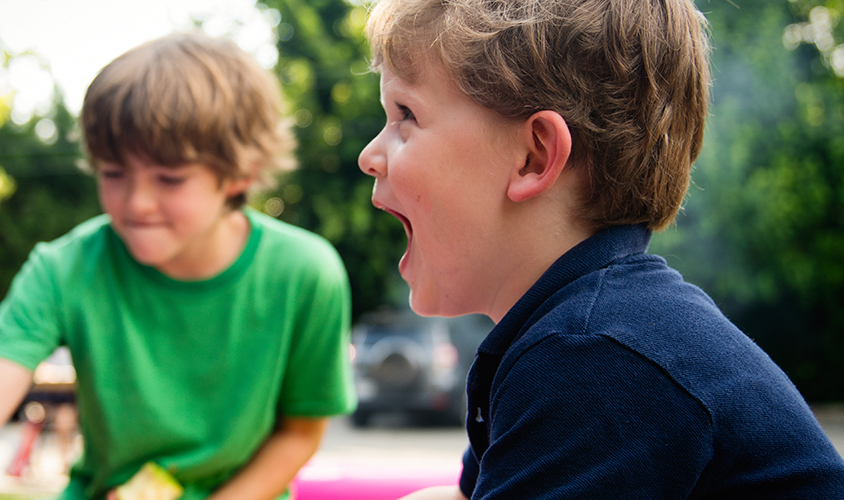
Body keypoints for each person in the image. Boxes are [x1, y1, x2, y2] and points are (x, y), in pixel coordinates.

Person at [355, 0, 844, 498]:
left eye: (406, 115)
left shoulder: (592, 360)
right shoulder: (580, 330)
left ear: (534, 156)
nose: (368, 156)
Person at [0, 32, 356, 500]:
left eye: (169, 178)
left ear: (239, 174)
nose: (137, 203)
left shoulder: (306, 273)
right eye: (113, 173)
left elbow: (300, 432)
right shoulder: (63, 269)